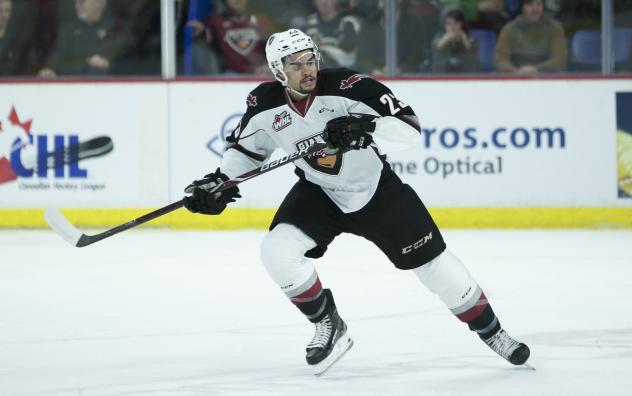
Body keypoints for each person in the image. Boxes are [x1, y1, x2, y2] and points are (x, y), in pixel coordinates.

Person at [182, 28, 531, 374]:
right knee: (276, 250)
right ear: (277, 71)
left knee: (435, 268)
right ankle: (329, 326)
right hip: (319, 193)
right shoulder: (265, 104)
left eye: (310, 60)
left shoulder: (349, 87)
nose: (307, 70)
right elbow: (247, 151)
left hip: (376, 191)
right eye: (295, 65)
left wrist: (363, 128)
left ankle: (494, 333)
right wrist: (219, 181)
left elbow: (409, 127)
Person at [38, 0, 133, 77]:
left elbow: (132, 62)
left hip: (107, 90)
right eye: (77, 1)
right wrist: (48, 69)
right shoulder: (69, 31)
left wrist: (108, 64)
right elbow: (56, 56)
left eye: (82, 1)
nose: (78, 4)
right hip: (71, 90)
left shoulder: (117, 28)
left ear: (100, 3)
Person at [199, 0, 274, 75]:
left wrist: (268, 66)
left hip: (261, 73)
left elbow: (276, 47)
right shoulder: (215, 22)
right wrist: (199, 29)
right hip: (232, 74)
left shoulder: (261, 20)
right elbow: (203, 34)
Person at [494, 0, 567, 74]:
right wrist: (516, 72)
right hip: (515, 78)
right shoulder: (509, 29)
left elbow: (560, 60)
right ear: (522, 7)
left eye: (539, 4)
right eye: (530, 4)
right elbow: (500, 60)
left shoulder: (554, 28)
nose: (535, 8)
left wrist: (536, 69)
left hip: (547, 78)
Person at [303, 0, 362, 69]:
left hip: (345, 73)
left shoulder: (348, 23)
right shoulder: (310, 22)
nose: (323, 2)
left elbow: (348, 56)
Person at [432, 8, 479, 73]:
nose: (452, 27)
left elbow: (472, 63)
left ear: (462, 24)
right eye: (448, 24)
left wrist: (465, 41)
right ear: (444, 25)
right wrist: (443, 41)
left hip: (465, 77)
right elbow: (436, 62)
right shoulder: (438, 41)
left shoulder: (472, 40)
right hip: (444, 77)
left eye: (456, 23)